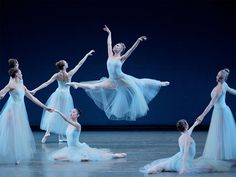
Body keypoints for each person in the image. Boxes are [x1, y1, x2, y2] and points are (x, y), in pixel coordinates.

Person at [68, 25, 170, 121]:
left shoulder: (121, 58)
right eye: (115, 45)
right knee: (95, 86)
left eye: (118, 46)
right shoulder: (110, 55)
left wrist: (138, 40)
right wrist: (109, 33)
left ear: (121, 49)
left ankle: (160, 83)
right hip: (111, 81)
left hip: (122, 79)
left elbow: (131, 50)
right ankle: (76, 84)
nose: (115, 46)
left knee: (140, 83)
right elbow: (109, 44)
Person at [30, 50, 95, 143]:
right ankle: (61, 136)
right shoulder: (69, 74)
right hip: (66, 95)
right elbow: (79, 64)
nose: (67, 63)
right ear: (64, 66)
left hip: (57, 94)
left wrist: (35, 90)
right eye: (66, 63)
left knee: (54, 112)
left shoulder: (57, 75)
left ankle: (49, 132)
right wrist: (87, 55)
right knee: (64, 113)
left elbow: (46, 83)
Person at [0, 68, 53, 164]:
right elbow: (2, 92)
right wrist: (2, 95)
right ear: (16, 74)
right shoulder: (11, 85)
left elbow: (33, 98)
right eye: (20, 73)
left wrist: (45, 107)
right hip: (12, 111)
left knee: (18, 133)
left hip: (20, 111)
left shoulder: (22, 86)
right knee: (12, 133)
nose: (22, 74)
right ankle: (16, 155)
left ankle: (17, 156)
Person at [140, 119, 231, 175]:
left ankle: (152, 170)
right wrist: (183, 167)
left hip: (176, 158)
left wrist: (196, 123)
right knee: (209, 167)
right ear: (186, 126)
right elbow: (186, 153)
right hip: (184, 161)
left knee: (163, 165)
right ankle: (153, 170)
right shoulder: (187, 138)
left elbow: (189, 131)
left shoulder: (182, 136)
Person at [51, 108, 127, 161]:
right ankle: (81, 157)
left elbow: (66, 119)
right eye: (71, 111)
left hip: (78, 147)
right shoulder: (69, 124)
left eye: (74, 112)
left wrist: (57, 111)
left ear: (78, 115)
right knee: (56, 158)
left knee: (98, 155)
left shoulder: (77, 125)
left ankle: (115, 155)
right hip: (71, 149)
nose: (71, 113)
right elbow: (66, 119)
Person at [196, 68, 236, 160]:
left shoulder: (220, 89)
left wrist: (202, 116)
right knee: (219, 135)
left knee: (219, 136)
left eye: (221, 78)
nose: (218, 78)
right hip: (220, 111)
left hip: (221, 113)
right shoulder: (223, 84)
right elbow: (231, 90)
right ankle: (220, 156)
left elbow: (211, 104)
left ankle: (218, 157)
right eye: (217, 76)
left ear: (224, 79)